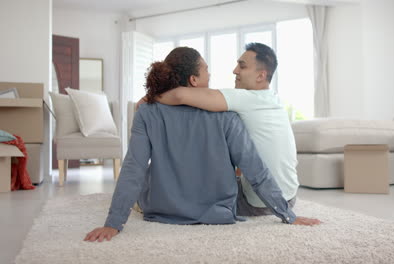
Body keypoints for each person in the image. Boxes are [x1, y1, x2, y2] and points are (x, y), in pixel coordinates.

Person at [84, 47, 320, 243]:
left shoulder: (147, 111)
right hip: (215, 212)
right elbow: (254, 167)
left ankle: (139, 205)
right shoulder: (228, 116)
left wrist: (114, 223)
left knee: (146, 174)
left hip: (160, 208)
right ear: (193, 80)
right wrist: (286, 214)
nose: (211, 76)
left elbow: (134, 167)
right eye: (206, 70)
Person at [145, 43, 299, 217]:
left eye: (242, 66)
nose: (235, 70)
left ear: (260, 76)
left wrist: (148, 99)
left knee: (198, 193)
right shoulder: (272, 99)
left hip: (261, 202)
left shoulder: (245, 99)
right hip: (289, 196)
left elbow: (180, 95)